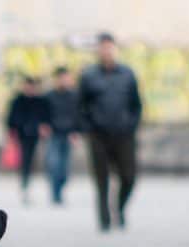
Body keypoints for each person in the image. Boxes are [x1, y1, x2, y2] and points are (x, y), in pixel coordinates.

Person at [78, 32, 142, 231]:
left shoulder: (127, 74)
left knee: (129, 176)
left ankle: (120, 208)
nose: (106, 51)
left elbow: (136, 104)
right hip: (98, 135)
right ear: (98, 50)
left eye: (109, 47)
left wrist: (131, 125)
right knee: (101, 178)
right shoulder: (89, 76)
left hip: (124, 134)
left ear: (115, 49)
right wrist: (88, 128)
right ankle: (104, 219)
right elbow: (81, 106)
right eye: (102, 47)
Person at [6, 76, 50, 204]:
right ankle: (25, 181)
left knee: (32, 159)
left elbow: (45, 116)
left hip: (35, 135)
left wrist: (44, 126)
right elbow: (11, 118)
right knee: (25, 159)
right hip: (22, 134)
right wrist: (12, 132)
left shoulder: (40, 101)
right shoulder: (17, 100)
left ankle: (27, 179)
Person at [44, 66, 78, 205]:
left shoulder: (74, 96)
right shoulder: (49, 96)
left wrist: (76, 131)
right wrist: (44, 126)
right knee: (53, 164)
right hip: (54, 134)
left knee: (64, 167)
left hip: (68, 134)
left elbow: (78, 115)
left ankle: (60, 187)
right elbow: (43, 114)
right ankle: (55, 192)